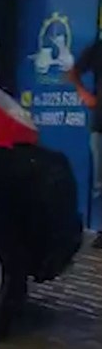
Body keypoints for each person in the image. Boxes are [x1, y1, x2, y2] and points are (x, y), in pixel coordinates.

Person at [66, 41, 102, 247]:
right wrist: (83, 93)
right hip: (101, 125)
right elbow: (73, 72)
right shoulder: (99, 48)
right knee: (100, 183)